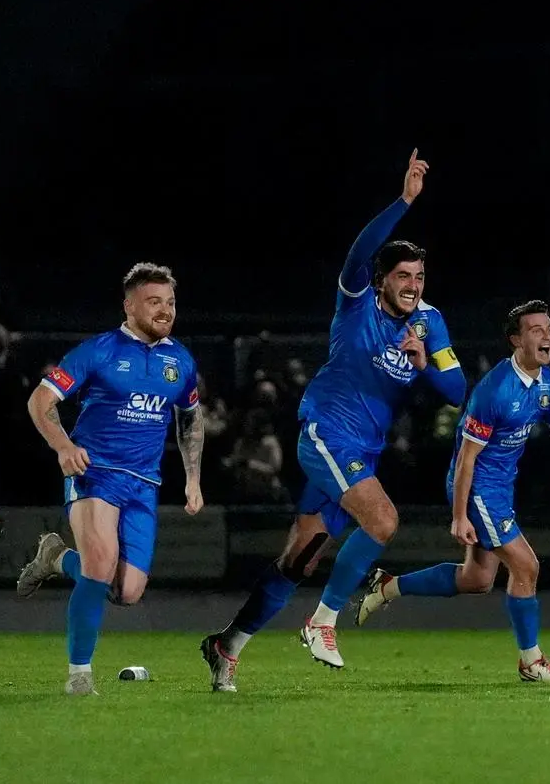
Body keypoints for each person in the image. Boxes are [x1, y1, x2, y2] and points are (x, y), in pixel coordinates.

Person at [199, 149, 467, 692]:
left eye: (419, 275)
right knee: (384, 522)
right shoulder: (357, 302)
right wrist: (405, 202)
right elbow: (359, 249)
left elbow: (457, 391)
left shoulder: (430, 323)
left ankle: (226, 645)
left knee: (298, 561)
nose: (413, 284)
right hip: (326, 432)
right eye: (402, 276)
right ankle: (323, 621)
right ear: (382, 279)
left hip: (362, 450)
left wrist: (425, 364)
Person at [355, 300, 550, 683]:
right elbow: (466, 458)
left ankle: (389, 586)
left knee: (477, 580)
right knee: (526, 565)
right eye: (536, 329)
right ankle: (531, 662)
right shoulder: (495, 391)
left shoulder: (548, 385)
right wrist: (459, 516)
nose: (547, 335)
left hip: (500, 485)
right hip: (476, 487)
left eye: (549, 328)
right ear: (515, 340)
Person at [15, 263, 204, 696]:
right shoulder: (97, 351)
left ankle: (56, 557)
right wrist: (63, 446)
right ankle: (79, 676)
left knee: (127, 592)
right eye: (154, 302)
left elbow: (191, 419)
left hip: (144, 484)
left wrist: (192, 478)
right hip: (95, 472)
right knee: (99, 567)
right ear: (129, 305)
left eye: (170, 303)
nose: (165, 311)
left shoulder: (180, 360)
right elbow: (40, 400)